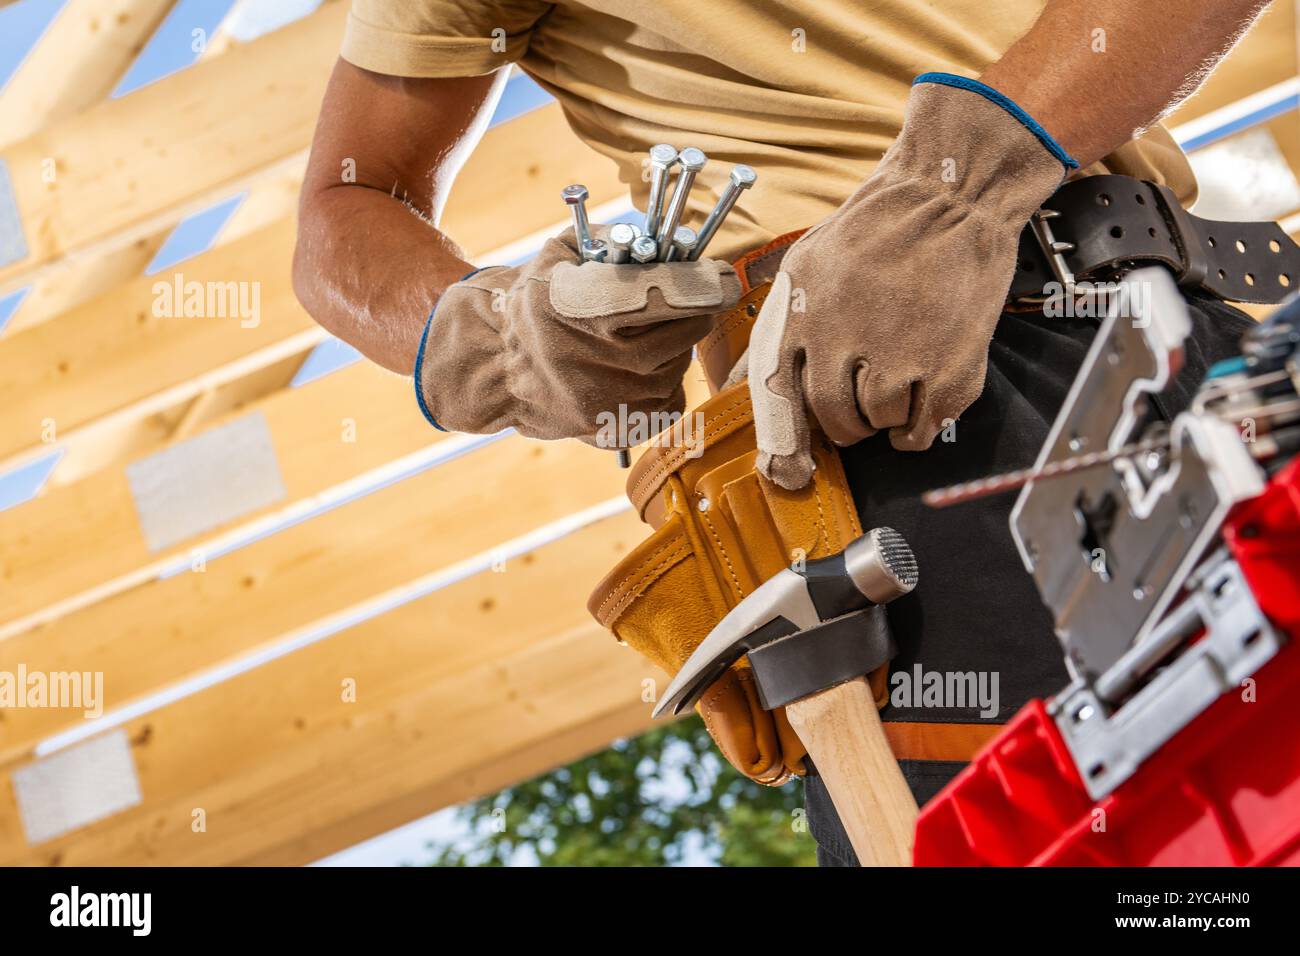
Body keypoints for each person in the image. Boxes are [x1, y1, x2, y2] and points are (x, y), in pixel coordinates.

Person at [294, 0, 1280, 866]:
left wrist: (961, 187)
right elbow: (347, 207)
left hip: (1189, 337)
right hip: (898, 413)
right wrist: (511, 337)